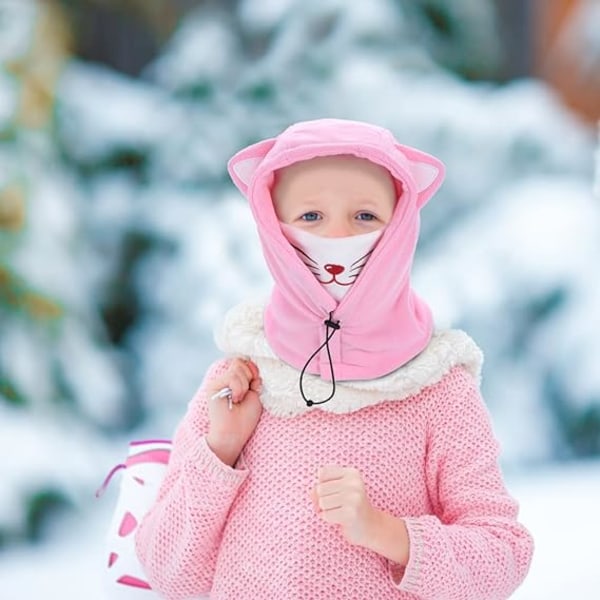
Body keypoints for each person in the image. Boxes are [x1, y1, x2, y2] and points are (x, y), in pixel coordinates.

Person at [135, 118, 534, 599]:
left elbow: (503, 552)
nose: (339, 238)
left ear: (401, 223)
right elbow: (166, 569)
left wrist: (388, 533)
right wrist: (220, 451)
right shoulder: (239, 381)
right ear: (273, 227)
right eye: (310, 217)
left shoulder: (439, 387)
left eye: (365, 216)